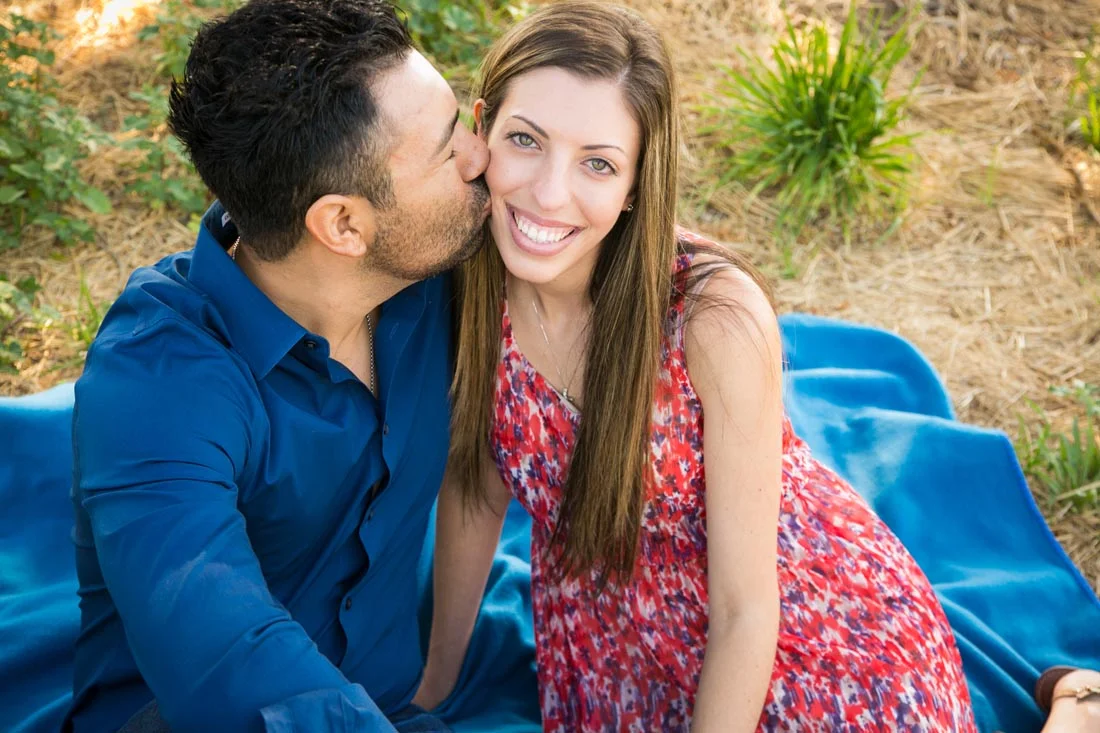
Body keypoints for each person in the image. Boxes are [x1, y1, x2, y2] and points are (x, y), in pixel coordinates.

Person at [417, 3, 979, 731]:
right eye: (526, 140)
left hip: (804, 635)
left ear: (635, 184)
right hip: (613, 645)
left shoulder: (713, 319)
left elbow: (747, 609)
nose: (549, 193)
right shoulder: (468, 271)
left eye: (597, 162)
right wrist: (431, 687)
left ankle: (1077, 705)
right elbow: (474, 488)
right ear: (483, 128)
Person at [62, 0, 489, 730]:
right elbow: (226, 661)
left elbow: (593, 223)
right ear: (343, 224)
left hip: (393, 706)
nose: (481, 156)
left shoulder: (434, 261)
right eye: (449, 148)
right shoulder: (156, 384)